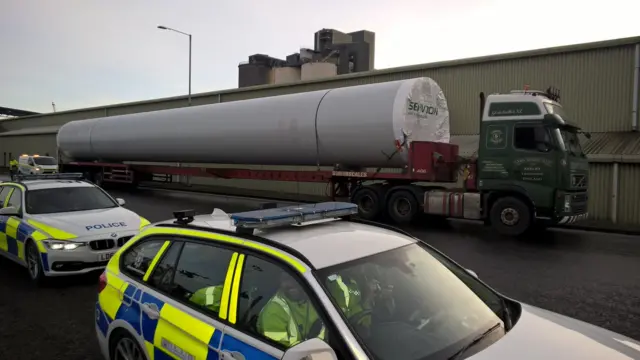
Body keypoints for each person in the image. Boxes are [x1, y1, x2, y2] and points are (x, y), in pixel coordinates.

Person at [257, 272, 324, 348]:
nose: (290, 284)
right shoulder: (274, 311)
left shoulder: (317, 295)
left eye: (294, 278)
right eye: (285, 279)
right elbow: (282, 350)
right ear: (280, 282)